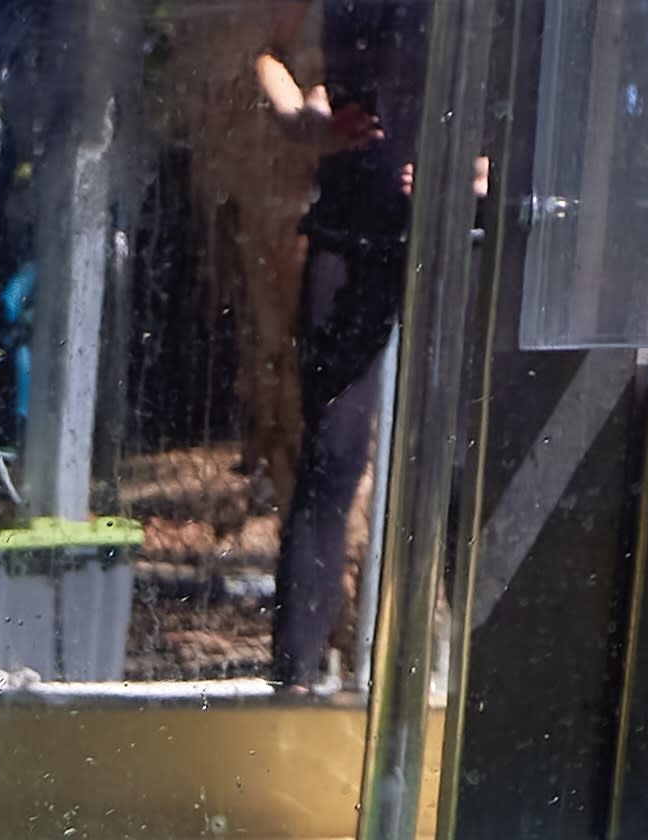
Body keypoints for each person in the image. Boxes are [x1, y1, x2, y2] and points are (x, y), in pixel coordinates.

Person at [264, 0, 419, 694]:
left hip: (462, 235)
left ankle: (443, 679)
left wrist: (478, 173)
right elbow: (268, 56)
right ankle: (293, 685)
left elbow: (537, 92)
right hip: (350, 230)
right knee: (331, 456)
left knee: (455, 462)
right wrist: (304, 121)